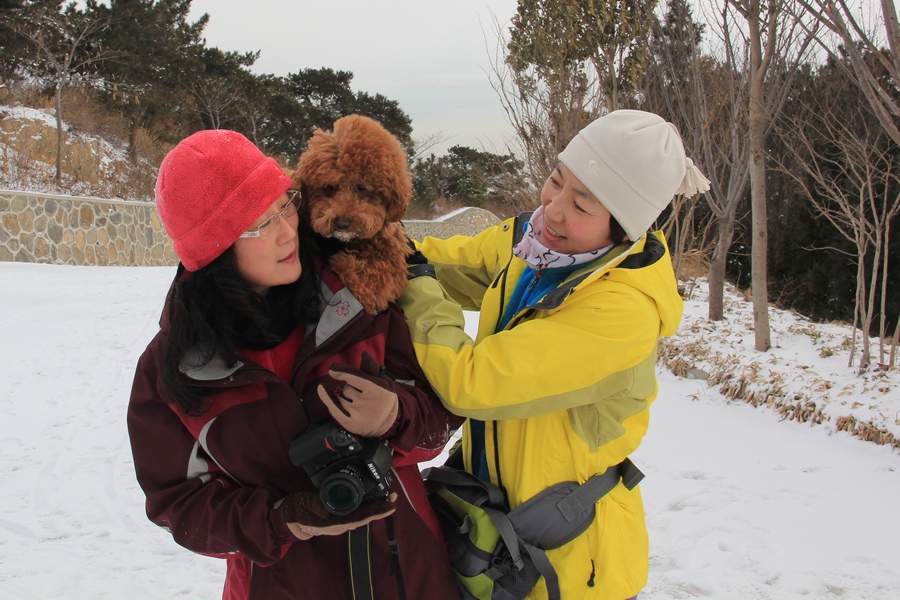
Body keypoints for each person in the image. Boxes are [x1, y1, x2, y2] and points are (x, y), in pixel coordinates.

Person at [127, 130, 462, 600]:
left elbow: (441, 419)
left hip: (407, 573)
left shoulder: (358, 298)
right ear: (214, 248)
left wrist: (396, 415)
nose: (288, 231)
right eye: (260, 224)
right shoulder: (174, 370)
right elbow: (177, 506)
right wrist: (280, 519)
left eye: (285, 204)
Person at [399, 110, 710, 600]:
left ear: (623, 227)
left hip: (569, 561)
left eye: (582, 204)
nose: (555, 209)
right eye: (556, 181)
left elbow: (471, 383)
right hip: (496, 532)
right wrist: (387, 249)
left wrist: (414, 282)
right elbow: (447, 265)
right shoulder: (538, 242)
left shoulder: (620, 311)